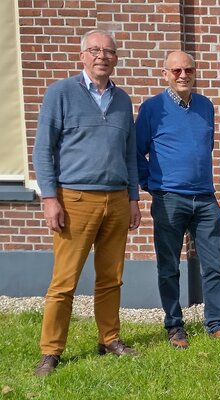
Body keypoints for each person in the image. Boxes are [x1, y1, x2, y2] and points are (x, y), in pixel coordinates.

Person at [32, 30, 141, 377]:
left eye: (109, 52)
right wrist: (50, 197)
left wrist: (134, 198)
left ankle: (109, 338)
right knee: (64, 281)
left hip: (117, 199)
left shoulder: (123, 100)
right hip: (74, 199)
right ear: (83, 56)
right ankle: (51, 351)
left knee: (111, 278)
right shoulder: (61, 93)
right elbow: (42, 150)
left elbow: (130, 154)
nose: (102, 57)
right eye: (95, 51)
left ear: (116, 59)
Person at [136, 50, 220, 349]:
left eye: (188, 70)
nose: (183, 75)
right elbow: (135, 152)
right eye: (176, 71)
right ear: (166, 74)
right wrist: (152, 185)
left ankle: (216, 323)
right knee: (169, 266)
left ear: (195, 72)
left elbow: (204, 148)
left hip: (205, 199)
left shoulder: (206, 106)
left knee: (215, 264)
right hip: (169, 198)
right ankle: (174, 326)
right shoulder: (151, 109)